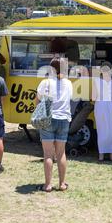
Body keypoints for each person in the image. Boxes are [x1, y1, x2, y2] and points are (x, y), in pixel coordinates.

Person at [36, 57, 72, 192]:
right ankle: (62, 184)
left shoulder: (45, 82)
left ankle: (48, 185)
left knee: (48, 154)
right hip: (64, 118)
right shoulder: (68, 83)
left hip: (48, 118)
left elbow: (38, 100)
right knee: (61, 153)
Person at [92, 62, 112, 161]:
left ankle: (101, 155)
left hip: (100, 106)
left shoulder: (96, 81)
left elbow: (93, 97)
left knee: (102, 130)